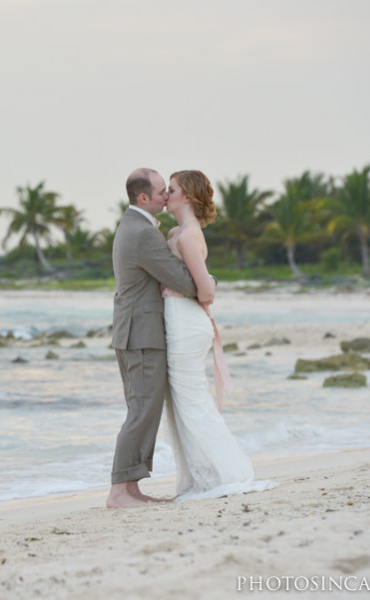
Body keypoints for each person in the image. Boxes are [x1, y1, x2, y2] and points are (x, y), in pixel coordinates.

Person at [162, 170, 275, 499]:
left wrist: (207, 285)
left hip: (186, 322)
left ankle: (229, 473)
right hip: (179, 320)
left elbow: (205, 289)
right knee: (185, 403)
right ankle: (205, 475)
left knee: (193, 402)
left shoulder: (187, 236)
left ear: (186, 196)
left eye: (171, 190)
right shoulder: (176, 231)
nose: (165, 194)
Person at [107, 168, 200, 508]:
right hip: (142, 334)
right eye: (161, 191)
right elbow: (184, 281)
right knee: (143, 410)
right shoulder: (143, 234)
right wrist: (209, 279)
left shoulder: (132, 226)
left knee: (142, 408)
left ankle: (131, 490)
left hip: (133, 331)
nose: (166, 196)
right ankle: (119, 492)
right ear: (143, 198)